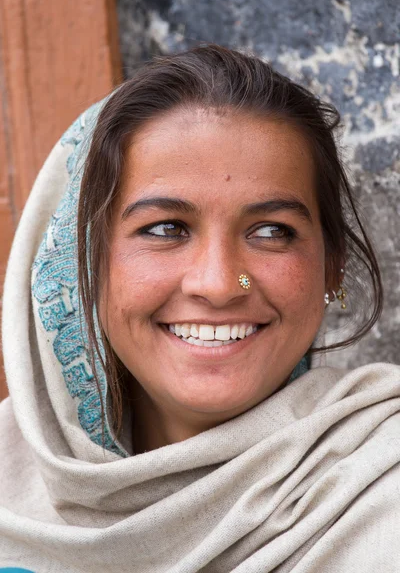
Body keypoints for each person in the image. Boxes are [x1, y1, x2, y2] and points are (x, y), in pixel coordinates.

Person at [0, 44, 399, 572]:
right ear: (85, 264)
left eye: (271, 231)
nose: (217, 284)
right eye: (166, 228)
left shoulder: (379, 492)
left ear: (330, 265)